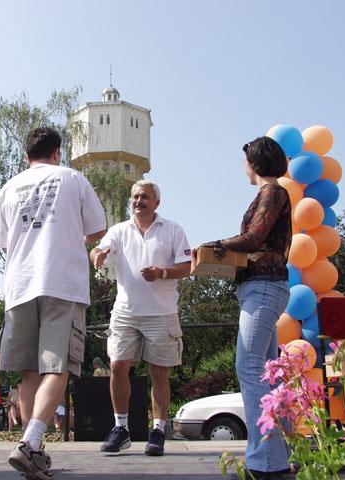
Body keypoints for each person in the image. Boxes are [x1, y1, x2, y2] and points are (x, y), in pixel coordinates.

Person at [0, 127, 106, 479]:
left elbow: (5, 243)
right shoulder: (72, 178)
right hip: (61, 282)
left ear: (26, 155)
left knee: (30, 371)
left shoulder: (8, 188)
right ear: (57, 152)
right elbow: (98, 229)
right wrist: (70, 236)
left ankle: (32, 447)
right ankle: (30, 444)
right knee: (57, 367)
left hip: (19, 285)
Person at [198, 136, 293, 480]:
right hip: (263, 287)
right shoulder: (272, 193)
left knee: (249, 366)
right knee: (268, 372)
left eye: (246, 160)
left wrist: (216, 245)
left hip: (264, 287)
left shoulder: (272, 192)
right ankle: (280, 454)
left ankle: (266, 461)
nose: (243, 166)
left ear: (255, 162)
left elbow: (254, 237)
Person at [90, 180, 192, 457]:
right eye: (135, 197)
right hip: (125, 312)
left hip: (161, 313)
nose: (138, 201)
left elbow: (187, 266)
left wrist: (162, 273)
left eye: (144, 197)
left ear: (156, 202)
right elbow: (97, 249)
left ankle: (157, 431)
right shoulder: (119, 230)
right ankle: (121, 429)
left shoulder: (173, 230)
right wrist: (97, 254)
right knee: (117, 366)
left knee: (159, 372)